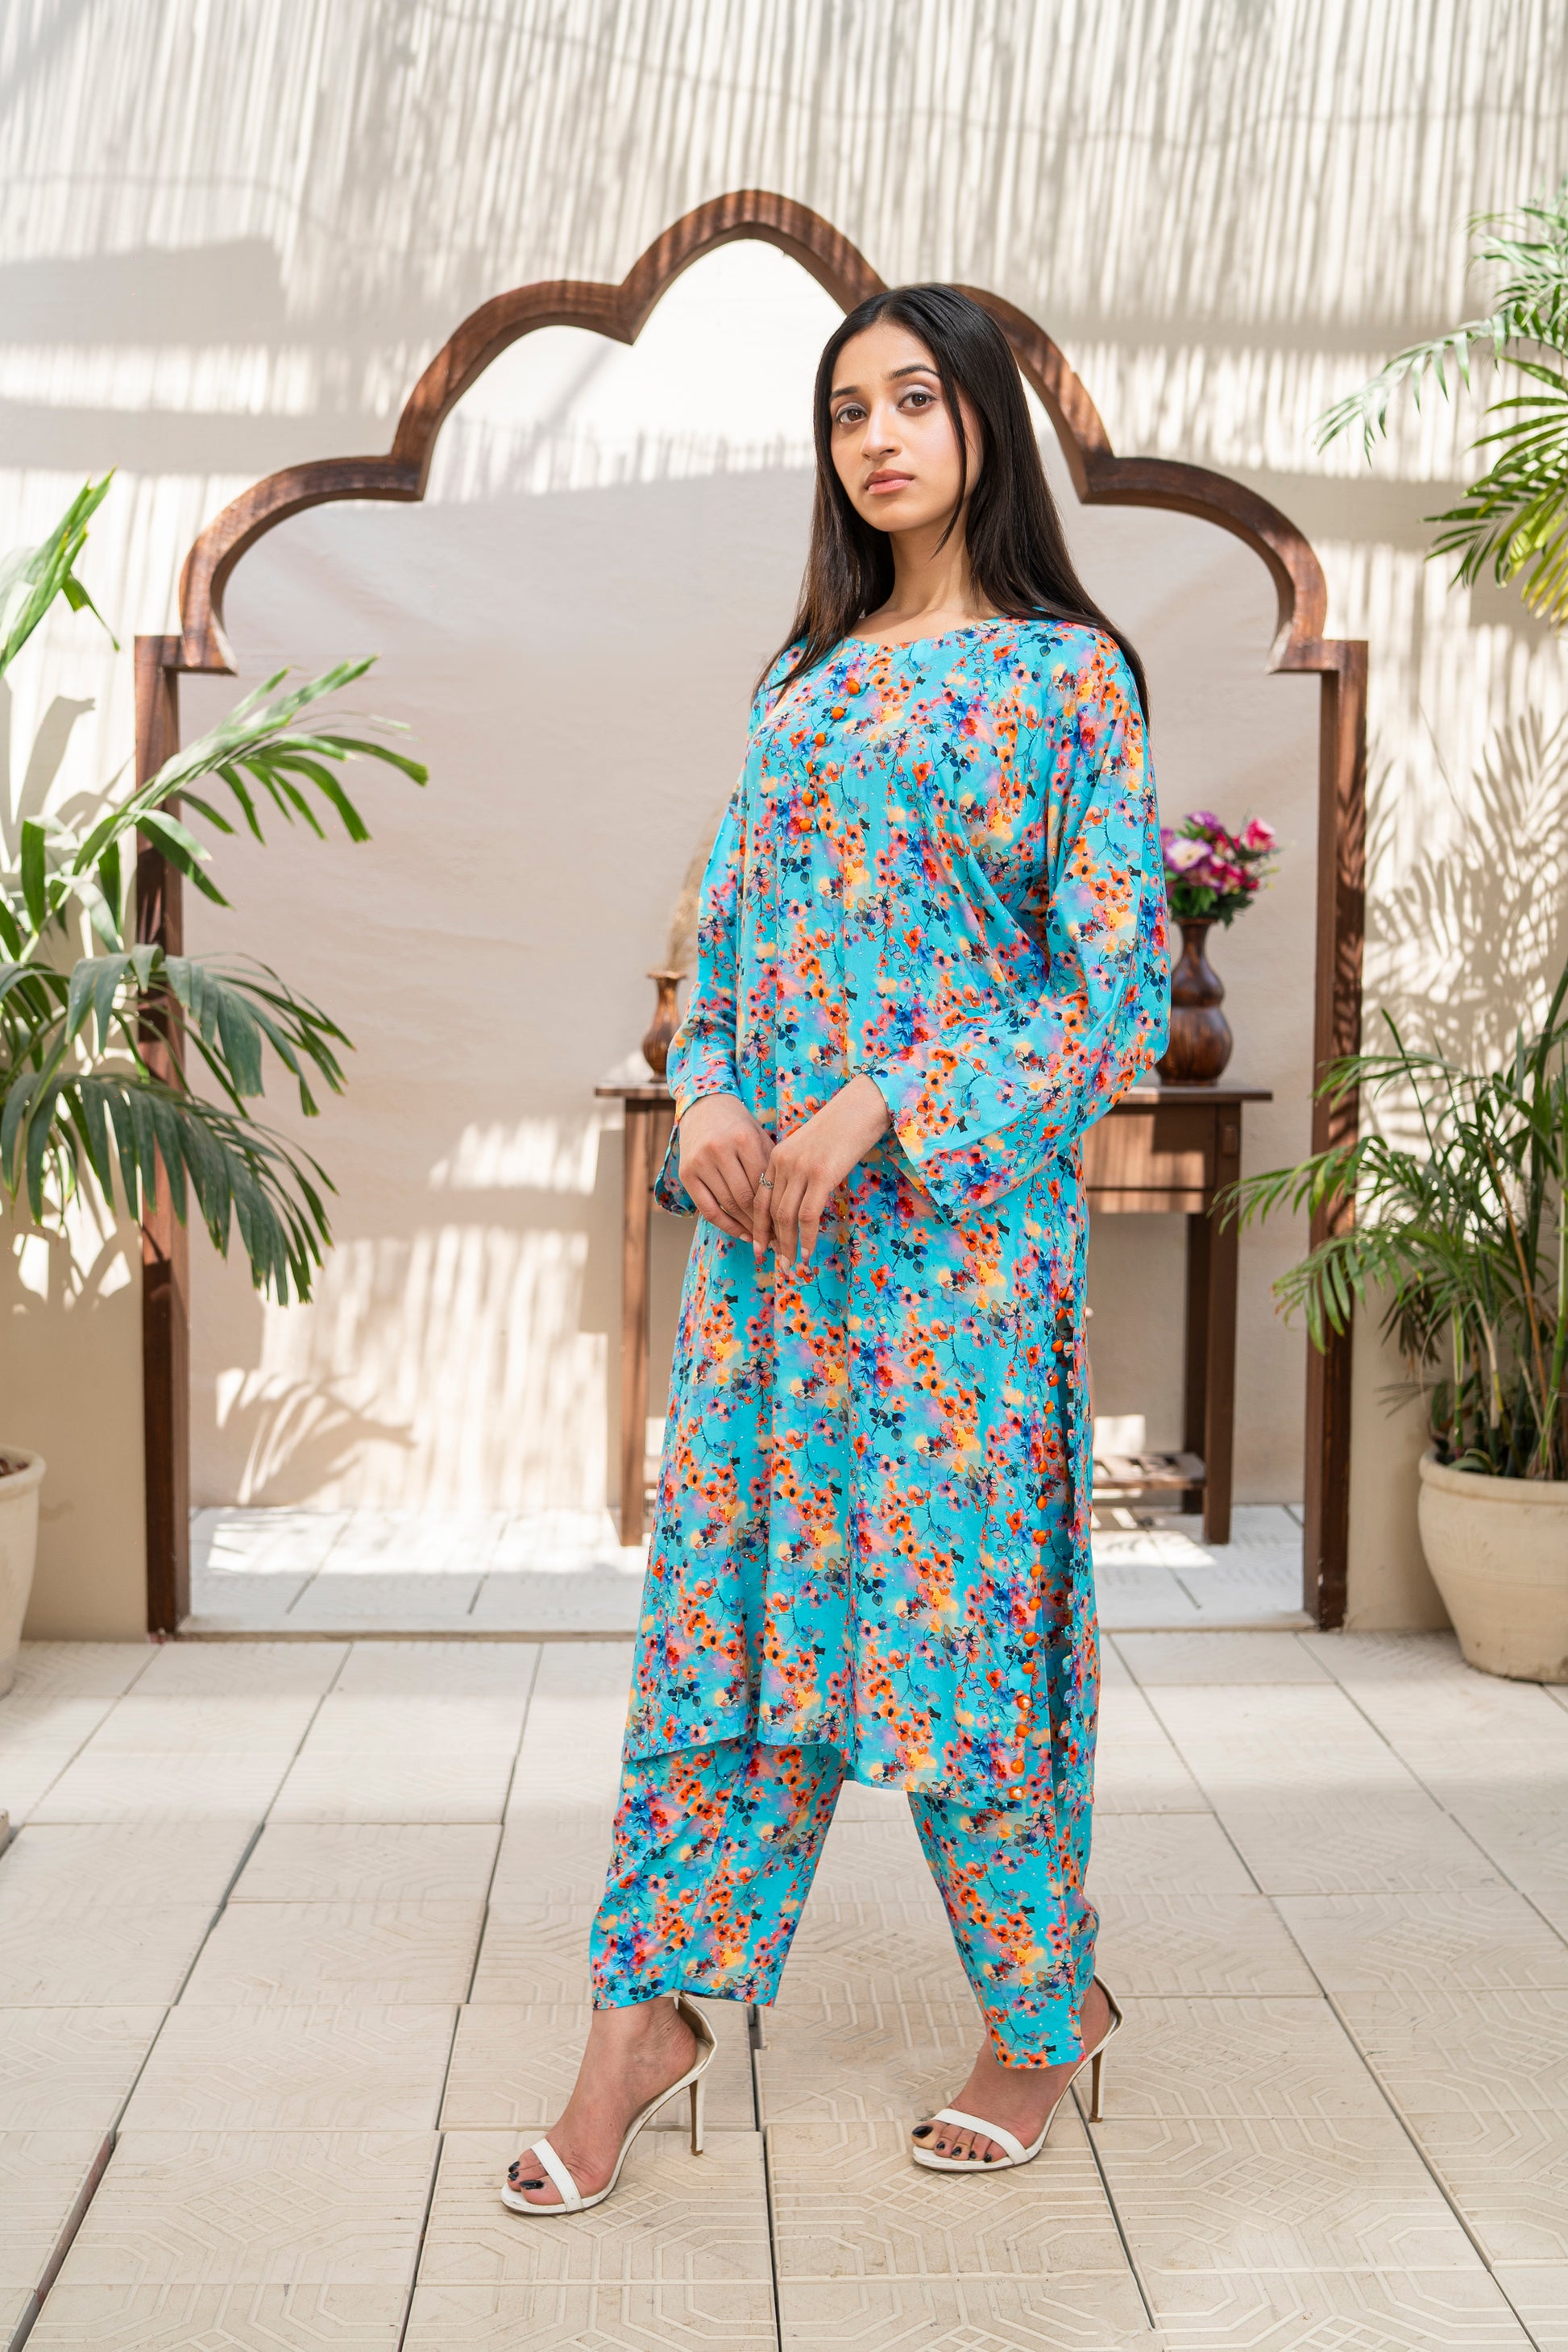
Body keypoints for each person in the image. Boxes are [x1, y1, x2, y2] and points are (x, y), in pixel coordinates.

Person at [504, 282, 1168, 2215]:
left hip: (958, 1262)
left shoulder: (1066, 679)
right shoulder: (799, 682)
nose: (874, 436)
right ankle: (642, 2018)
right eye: (844, 409)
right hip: (774, 1254)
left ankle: (1043, 2007)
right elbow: (719, 947)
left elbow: (1107, 992)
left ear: (980, 424)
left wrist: (882, 1098)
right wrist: (710, 1092)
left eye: (912, 398)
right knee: (728, 1625)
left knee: (957, 1640)